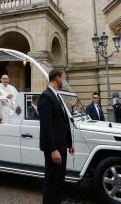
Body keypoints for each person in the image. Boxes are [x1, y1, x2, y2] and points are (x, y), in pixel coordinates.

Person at [37, 69, 74, 204]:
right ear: (57, 78)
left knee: (59, 180)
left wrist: (69, 143)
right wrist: (53, 149)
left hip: (62, 146)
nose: (62, 81)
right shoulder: (46, 96)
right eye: (62, 78)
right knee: (52, 181)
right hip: (54, 149)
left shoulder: (57, 96)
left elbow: (63, 121)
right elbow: (47, 126)